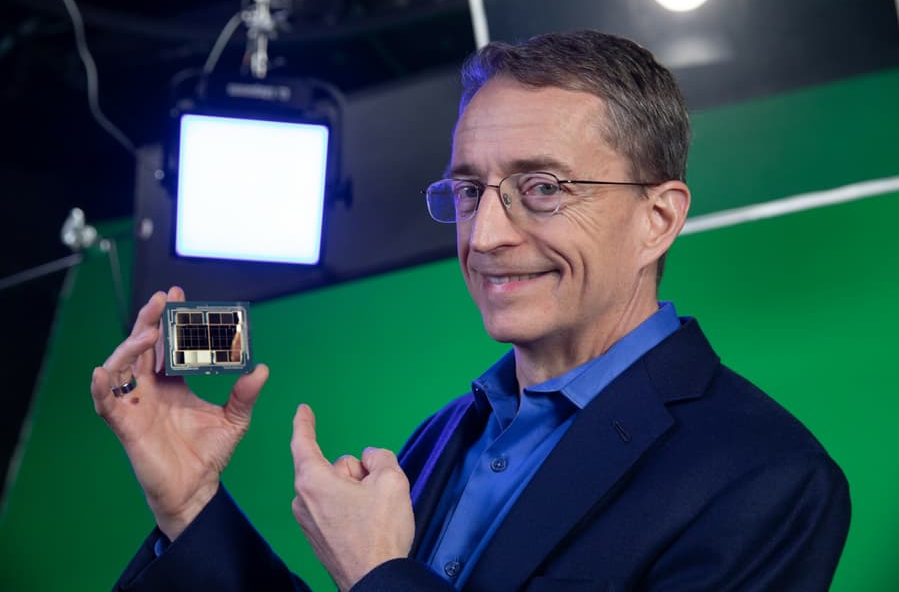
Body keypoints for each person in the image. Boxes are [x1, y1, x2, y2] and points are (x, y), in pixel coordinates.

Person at [92, 31, 851, 591]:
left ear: (657, 219)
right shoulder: (442, 435)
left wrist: (379, 575)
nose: (484, 236)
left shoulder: (769, 479)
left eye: (542, 188)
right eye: (467, 191)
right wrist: (190, 503)